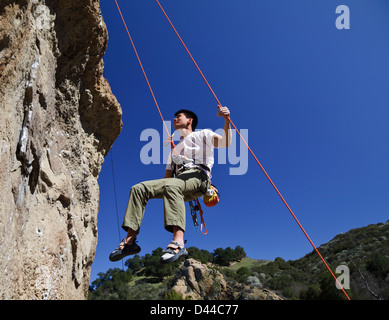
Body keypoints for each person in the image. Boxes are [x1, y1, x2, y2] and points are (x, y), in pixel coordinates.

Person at [109, 106, 231, 263]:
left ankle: (179, 243)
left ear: (189, 120)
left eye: (178, 116)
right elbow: (167, 178)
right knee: (138, 189)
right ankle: (129, 242)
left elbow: (225, 142)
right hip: (178, 182)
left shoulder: (203, 134)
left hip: (198, 177)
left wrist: (226, 120)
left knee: (172, 186)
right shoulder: (173, 151)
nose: (174, 119)